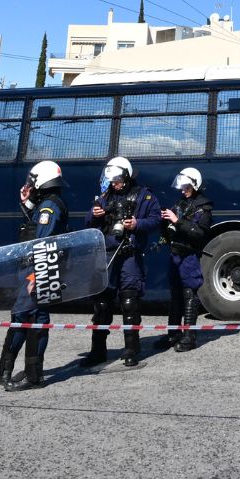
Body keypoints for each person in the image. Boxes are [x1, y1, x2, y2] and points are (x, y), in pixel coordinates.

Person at [0, 160, 69, 391]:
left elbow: (43, 242)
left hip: (39, 271)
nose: (29, 184)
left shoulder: (49, 208)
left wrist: (34, 277)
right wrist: (27, 203)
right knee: (24, 317)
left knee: (32, 319)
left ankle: (33, 375)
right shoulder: (45, 204)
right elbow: (33, 230)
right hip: (35, 271)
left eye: (33, 180)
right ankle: (6, 366)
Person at [81, 156, 161, 368]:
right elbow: (88, 222)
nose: (113, 183)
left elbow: (156, 219)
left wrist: (137, 223)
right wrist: (95, 213)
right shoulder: (105, 196)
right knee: (101, 303)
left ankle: (132, 350)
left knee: (130, 301)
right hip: (106, 253)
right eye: (111, 180)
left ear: (126, 177)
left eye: (116, 179)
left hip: (129, 253)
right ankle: (97, 351)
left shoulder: (144, 196)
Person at [156, 167, 211, 353]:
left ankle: (189, 336)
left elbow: (199, 233)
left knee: (189, 293)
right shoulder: (180, 203)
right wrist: (164, 221)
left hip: (189, 255)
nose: (181, 190)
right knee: (175, 294)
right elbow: (170, 228)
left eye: (185, 186)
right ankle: (173, 333)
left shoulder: (203, 208)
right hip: (175, 252)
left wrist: (177, 221)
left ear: (194, 185)